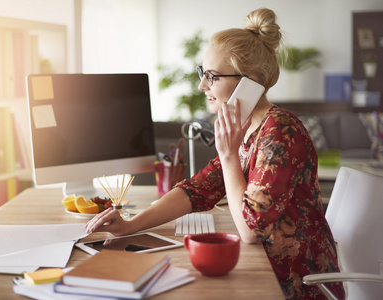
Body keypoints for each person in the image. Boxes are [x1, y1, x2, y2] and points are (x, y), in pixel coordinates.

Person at [85, 8, 345, 300]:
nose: (202, 86)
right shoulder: (247, 128)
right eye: (202, 73)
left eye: (212, 76)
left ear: (251, 81)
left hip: (299, 283)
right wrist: (130, 225)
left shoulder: (282, 133)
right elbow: (198, 189)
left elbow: (249, 231)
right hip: (268, 269)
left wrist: (229, 155)